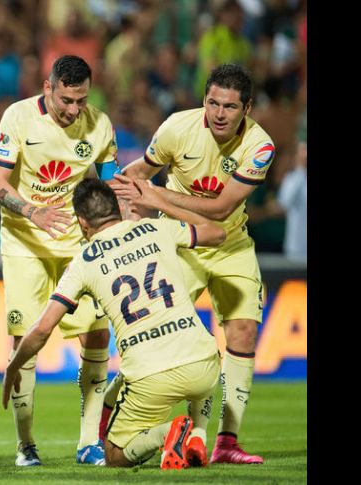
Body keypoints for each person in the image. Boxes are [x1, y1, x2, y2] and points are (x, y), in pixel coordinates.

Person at [2, 177, 226, 469]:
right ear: (117, 208)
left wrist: (13, 366)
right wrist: (161, 203)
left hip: (151, 376)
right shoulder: (156, 228)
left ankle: (168, 434)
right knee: (192, 370)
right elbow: (217, 233)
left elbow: (43, 329)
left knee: (114, 455)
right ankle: (197, 435)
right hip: (206, 364)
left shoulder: (84, 262)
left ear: (82, 222)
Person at [113, 63, 274, 465]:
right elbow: (139, 174)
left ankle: (226, 443)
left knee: (242, 333)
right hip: (181, 243)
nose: (219, 114)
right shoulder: (176, 127)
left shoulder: (260, 146)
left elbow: (220, 209)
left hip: (231, 246)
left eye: (230, 107)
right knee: (154, 336)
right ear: (204, 100)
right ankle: (114, 421)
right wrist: (124, 210)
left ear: (247, 108)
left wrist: (158, 197)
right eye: (213, 103)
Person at [0, 55, 119, 466]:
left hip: (79, 246)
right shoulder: (18, 117)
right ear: (48, 87)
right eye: (66, 100)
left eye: (81, 100)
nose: (74, 110)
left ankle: (89, 442)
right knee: (25, 342)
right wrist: (33, 211)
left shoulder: (100, 125)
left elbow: (112, 191)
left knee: (96, 337)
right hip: (25, 244)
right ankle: (26, 444)